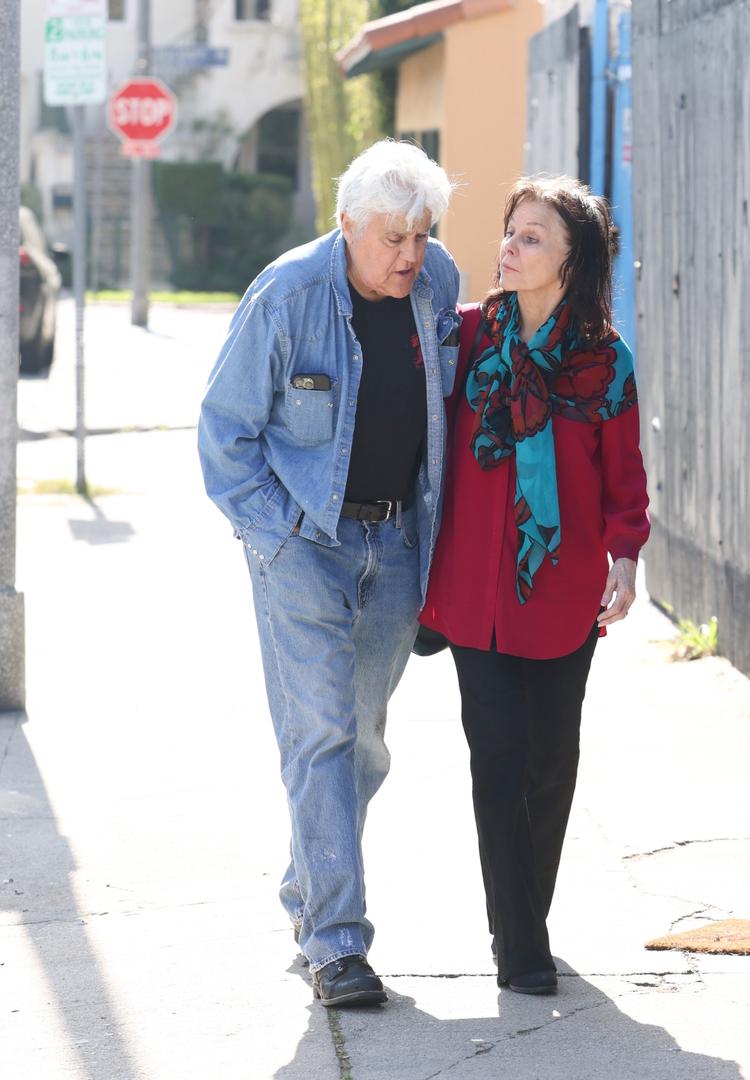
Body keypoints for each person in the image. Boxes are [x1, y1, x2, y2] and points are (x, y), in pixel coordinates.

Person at [198, 140, 459, 1008]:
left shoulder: (437, 281)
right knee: (320, 736)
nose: (409, 256)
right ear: (346, 223)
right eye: (392, 238)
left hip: (398, 543)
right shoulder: (287, 294)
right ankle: (337, 943)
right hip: (303, 544)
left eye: (421, 235)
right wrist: (276, 539)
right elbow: (224, 434)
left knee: (364, 742)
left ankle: (307, 888)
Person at [420, 176, 649, 995]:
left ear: (570, 259)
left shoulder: (604, 362)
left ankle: (524, 918)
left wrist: (626, 555)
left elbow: (623, 475)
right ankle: (519, 945)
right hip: (471, 589)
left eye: (531, 237)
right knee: (498, 757)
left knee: (551, 761)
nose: (508, 248)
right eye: (509, 231)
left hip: (560, 588)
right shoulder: (465, 339)